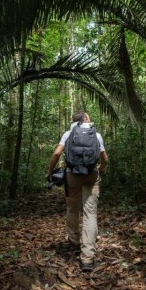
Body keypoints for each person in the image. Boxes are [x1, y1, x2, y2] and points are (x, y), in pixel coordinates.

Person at [47, 111, 108, 272]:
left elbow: (56, 153)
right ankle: (87, 258)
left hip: (72, 175)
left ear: (74, 122)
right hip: (91, 175)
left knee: (72, 208)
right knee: (90, 213)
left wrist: (50, 172)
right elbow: (105, 159)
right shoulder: (96, 135)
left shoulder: (68, 134)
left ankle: (74, 241)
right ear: (86, 120)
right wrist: (100, 170)